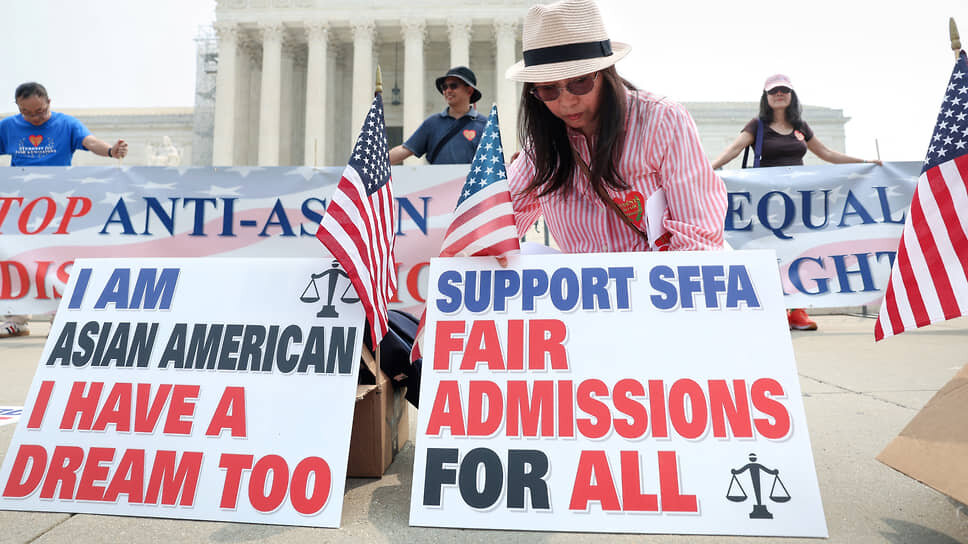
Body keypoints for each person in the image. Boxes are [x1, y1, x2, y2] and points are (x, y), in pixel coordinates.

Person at [505, 0, 727, 255]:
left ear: (605, 73)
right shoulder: (540, 149)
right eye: (548, 89)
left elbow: (697, 239)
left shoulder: (662, 122)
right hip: (583, 279)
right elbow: (494, 222)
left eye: (580, 82)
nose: (566, 101)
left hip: (658, 277)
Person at [710, 74, 882, 331]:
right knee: (771, 255)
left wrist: (864, 163)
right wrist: (708, 169)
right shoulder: (757, 125)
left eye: (784, 90)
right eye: (773, 91)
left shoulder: (800, 126)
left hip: (798, 205)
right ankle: (777, 309)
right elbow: (732, 150)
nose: (779, 94)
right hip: (766, 206)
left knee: (800, 253)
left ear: (791, 95)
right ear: (766, 97)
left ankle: (798, 310)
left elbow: (826, 153)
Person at [0, 82, 129, 338]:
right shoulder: (8, 127)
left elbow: (90, 142)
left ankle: (59, 317)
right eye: (27, 113)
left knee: (57, 261)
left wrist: (110, 151)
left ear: (49, 102)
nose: (34, 118)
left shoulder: (67, 124)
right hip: (20, 206)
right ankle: (17, 319)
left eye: (40, 111)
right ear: (18, 108)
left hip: (59, 206)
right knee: (18, 258)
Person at [388, 66, 487, 165]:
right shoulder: (432, 123)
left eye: (453, 86)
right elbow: (405, 150)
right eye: (444, 87)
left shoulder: (485, 125)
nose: (448, 91)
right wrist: (379, 162)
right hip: (439, 176)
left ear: (469, 91)